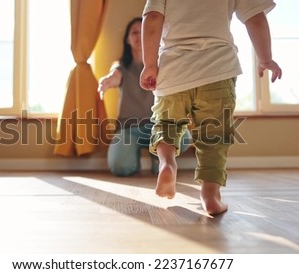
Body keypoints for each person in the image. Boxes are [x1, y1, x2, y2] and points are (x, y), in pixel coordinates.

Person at [140, 0, 282, 215]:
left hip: (173, 70)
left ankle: (167, 163)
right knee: (214, 135)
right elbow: (256, 19)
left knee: (166, 124)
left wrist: (150, 65)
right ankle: (210, 194)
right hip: (218, 69)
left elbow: (151, 19)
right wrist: (265, 59)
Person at [98, 17, 191, 177]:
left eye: (143, 32)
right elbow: (114, 76)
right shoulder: (121, 67)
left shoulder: (162, 65)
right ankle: (133, 158)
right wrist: (106, 82)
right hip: (128, 130)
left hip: (157, 128)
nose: (138, 36)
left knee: (184, 137)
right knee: (120, 167)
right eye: (134, 32)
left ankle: (158, 156)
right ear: (127, 39)